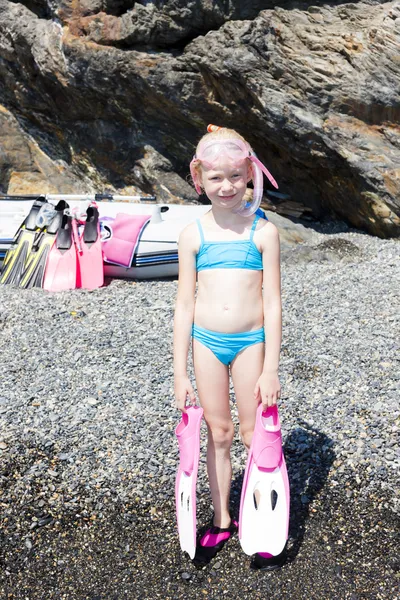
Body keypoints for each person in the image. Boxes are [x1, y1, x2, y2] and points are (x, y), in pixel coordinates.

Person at [173, 125, 282, 564]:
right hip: (206, 343)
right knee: (218, 433)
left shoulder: (263, 233)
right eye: (216, 178)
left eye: (236, 177)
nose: (227, 186)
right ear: (199, 179)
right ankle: (221, 520)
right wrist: (178, 372)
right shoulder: (193, 235)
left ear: (250, 175)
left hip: (251, 343)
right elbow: (184, 305)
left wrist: (271, 366)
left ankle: (261, 519)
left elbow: (272, 304)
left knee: (254, 433)